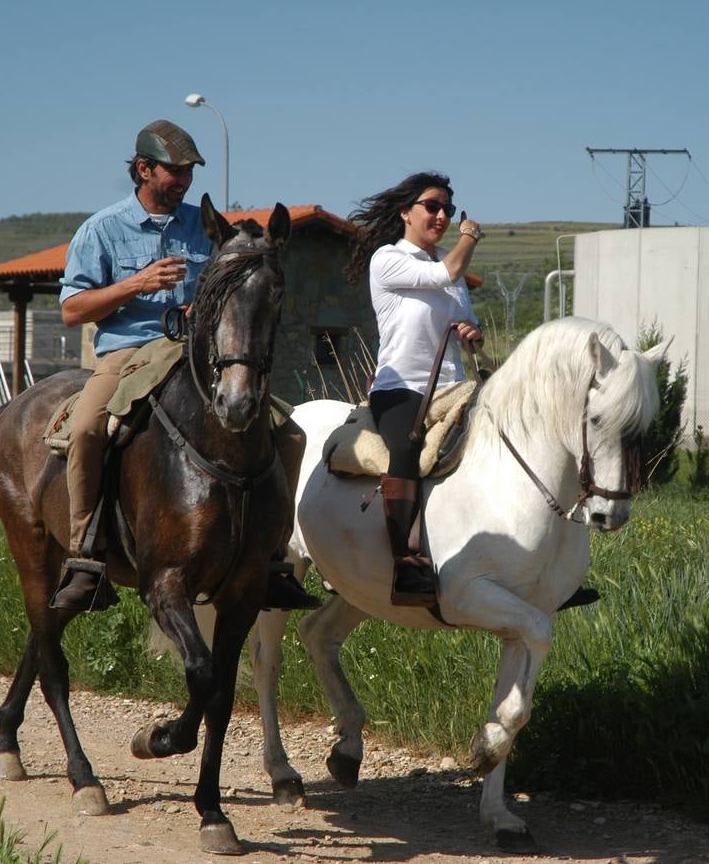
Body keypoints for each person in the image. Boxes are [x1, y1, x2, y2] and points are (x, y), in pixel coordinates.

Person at [54, 119, 320, 612]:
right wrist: (139, 284)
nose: (183, 181)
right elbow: (73, 311)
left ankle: (272, 558)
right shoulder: (101, 229)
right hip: (128, 353)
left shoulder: (208, 230)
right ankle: (85, 557)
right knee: (88, 428)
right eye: (174, 172)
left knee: (290, 434)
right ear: (143, 169)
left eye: (188, 173)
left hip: (196, 356)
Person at [347, 172, 485, 606]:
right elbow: (448, 272)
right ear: (406, 212)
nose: (442, 215)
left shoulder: (450, 268)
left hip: (453, 386)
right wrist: (470, 237)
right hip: (400, 387)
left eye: (447, 208)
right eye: (432, 206)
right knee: (405, 452)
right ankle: (405, 561)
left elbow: (466, 323)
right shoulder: (388, 259)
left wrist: (471, 333)